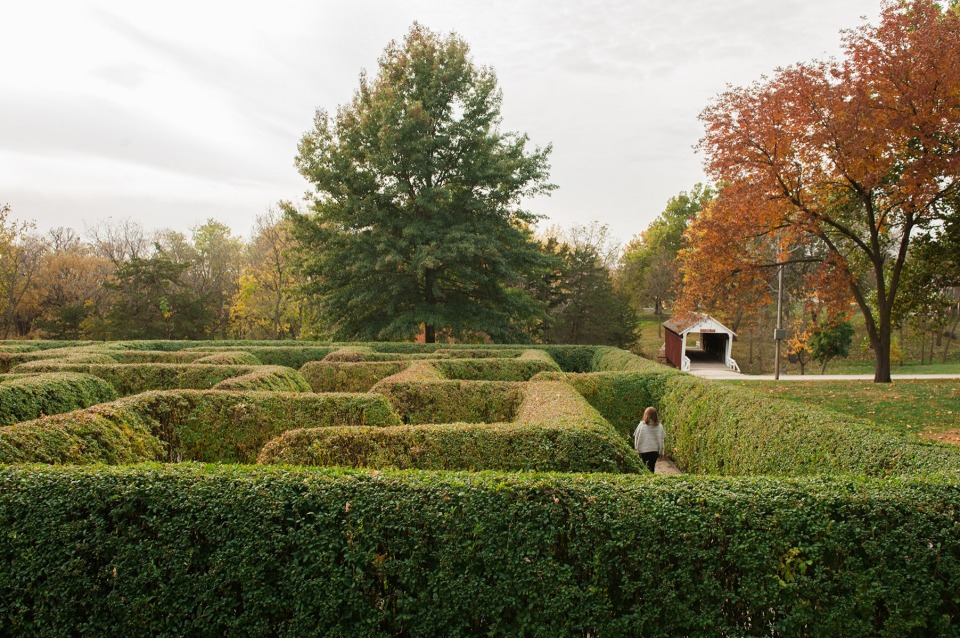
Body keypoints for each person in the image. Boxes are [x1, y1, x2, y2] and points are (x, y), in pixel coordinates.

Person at [634, 406, 664, 474]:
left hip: (643, 450)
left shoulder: (641, 425)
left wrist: (636, 448)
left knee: (643, 468)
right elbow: (661, 440)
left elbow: (636, 436)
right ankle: (651, 481)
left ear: (645, 415)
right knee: (652, 467)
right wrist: (661, 452)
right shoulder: (659, 426)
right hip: (654, 451)